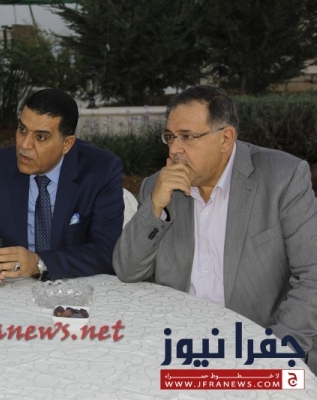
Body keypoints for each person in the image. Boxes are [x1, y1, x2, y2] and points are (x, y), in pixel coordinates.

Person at [113, 85, 317, 374]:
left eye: (187, 137)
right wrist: (156, 206)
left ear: (226, 139)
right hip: (179, 344)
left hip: (260, 341)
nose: (174, 149)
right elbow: (127, 271)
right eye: (170, 137)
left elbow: (312, 276)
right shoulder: (159, 186)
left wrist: (275, 353)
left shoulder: (283, 178)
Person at [0, 88, 124, 287]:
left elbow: (106, 250)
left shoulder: (100, 170)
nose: (25, 145)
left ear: (67, 144)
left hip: (77, 289)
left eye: (41, 137)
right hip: (13, 289)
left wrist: (39, 263)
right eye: (22, 130)